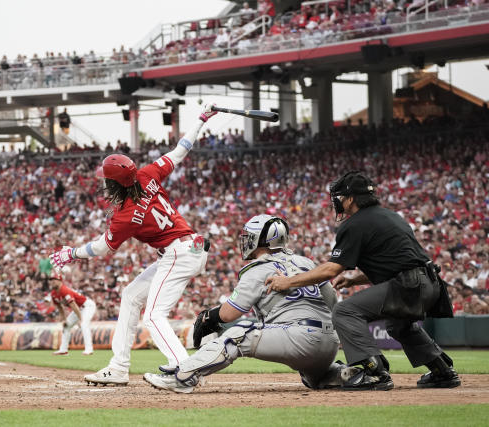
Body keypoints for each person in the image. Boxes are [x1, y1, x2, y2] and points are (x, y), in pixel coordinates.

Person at [49, 104, 218, 386]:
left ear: (115, 184)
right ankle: (118, 367)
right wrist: (200, 120)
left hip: (180, 252)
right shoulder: (147, 174)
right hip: (185, 249)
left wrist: (71, 253)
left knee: (153, 316)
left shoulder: (125, 215)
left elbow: (102, 248)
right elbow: (181, 149)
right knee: (130, 296)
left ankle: (185, 372)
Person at [265, 171, 460, 391]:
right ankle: (441, 369)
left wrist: (288, 282)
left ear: (350, 199)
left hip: (409, 284)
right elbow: (398, 261)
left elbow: (331, 269)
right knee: (399, 325)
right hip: (430, 283)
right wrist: (354, 279)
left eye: (339, 197)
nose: (337, 202)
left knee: (344, 311)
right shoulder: (390, 216)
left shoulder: (355, 223)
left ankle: (371, 370)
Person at [143, 215, 355, 393]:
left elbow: (228, 315)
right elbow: (331, 300)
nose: (245, 241)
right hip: (328, 344)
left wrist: (210, 316)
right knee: (312, 378)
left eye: (248, 237)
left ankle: (182, 376)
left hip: (298, 338)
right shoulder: (305, 262)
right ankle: (339, 373)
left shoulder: (258, 268)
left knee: (239, 333)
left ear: (259, 240)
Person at [49, 271, 96, 356]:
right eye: (51, 279)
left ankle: (89, 349)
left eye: (54, 279)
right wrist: (63, 319)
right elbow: (60, 308)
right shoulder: (53, 293)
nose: (52, 281)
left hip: (87, 306)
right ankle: (63, 350)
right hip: (78, 309)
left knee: (84, 324)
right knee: (66, 326)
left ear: (60, 281)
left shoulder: (64, 290)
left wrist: (80, 319)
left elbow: (73, 305)